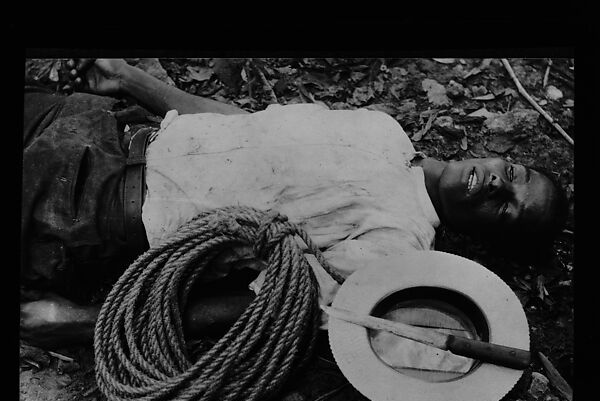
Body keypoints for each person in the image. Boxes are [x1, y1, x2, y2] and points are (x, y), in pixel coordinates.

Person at [20, 58, 568, 349]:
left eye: (508, 208)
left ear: (488, 237)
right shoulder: (384, 129)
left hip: (92, 213)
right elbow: (244, 125)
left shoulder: (396, 247)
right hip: (101, 125)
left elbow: (268, 305)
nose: (499, 185)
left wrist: (86, 322)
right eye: (514, 174)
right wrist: (129, 79)